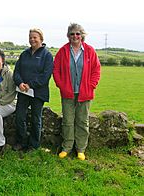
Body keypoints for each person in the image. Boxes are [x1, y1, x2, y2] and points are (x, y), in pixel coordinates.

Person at [53, 23, 101, 160]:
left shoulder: (90, 51)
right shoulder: (62, 51)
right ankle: (66, 147)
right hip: (67, 92)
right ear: (68, 36)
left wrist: (91, 85)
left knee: (82, 121)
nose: (75, 36)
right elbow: (56, 70)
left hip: (85, 93)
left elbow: (96, 70)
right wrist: (61, 85)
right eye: (72, 33)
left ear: (82, 36)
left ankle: (81, 149)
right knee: (67, 121)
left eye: (78, 34)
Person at [13, 28, 54, 151]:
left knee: (36, 119)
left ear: (41, 39)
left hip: (38, 92)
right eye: (30, 37)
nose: (32, 39)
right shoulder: (24, 54)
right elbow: (16, 71)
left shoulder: (47, 55)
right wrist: (20, 83)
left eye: (35, 37)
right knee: (20, 117)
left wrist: (30, 85)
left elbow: (45, 76)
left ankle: (34, 145)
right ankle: (21, 142)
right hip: (23, 92)